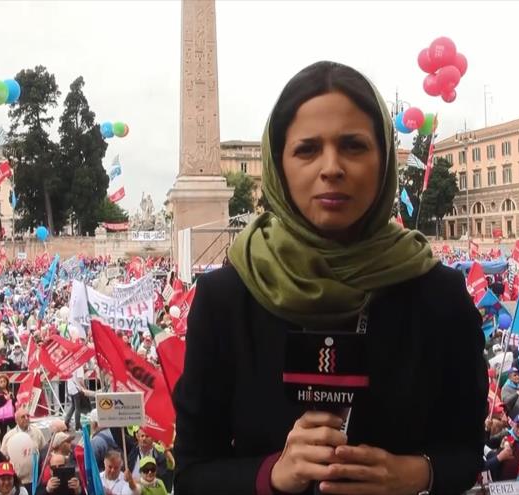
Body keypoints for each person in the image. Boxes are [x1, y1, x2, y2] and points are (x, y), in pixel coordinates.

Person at [173, 60, 486, 495]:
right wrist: (273, 474)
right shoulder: (225, 299)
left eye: (353, 146)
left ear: (384, 160)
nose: (332, 167)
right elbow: (191, 474)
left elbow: (467, 452)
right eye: (307, 150)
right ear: (279, 165)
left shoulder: (439, 295)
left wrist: (414, 473)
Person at [0, 375, 16, 442]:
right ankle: (3, 445)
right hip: (2, 417)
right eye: (1, 382)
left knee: (15, 430)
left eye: (4, 381)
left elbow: (13, 402)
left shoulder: (9, 391)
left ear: (7, 382)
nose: (3, 383)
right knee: (3, 431)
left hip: (10, 415)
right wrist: (6, 399)